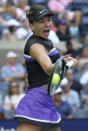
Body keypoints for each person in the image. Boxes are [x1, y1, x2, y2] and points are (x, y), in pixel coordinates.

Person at [15, 5, 77, 131]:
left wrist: (32, 70)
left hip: (46, 100)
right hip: (35, 102)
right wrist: (64, 62)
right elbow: (49, 69)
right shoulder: (36, 46)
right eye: (41, 21)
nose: (47, 24)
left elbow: (25, 61)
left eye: (48, 20)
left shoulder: (45, 42)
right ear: (31, 26)